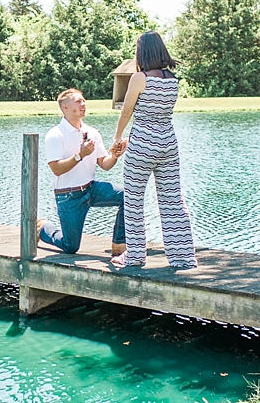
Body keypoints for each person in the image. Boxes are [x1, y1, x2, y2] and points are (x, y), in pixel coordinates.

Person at [109, 31, 197, 269]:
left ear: (143, 52)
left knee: (134, 200)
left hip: (143, 145)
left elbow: (126, 111)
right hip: (168, 143)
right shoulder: (172, 79)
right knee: (173, 201)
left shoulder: (140, 78)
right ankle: (183, 256)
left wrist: (118, 137)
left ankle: (135, 256)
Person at [38, 88, 127, 256]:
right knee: (71, 247)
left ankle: (119, 244)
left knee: (128, 196)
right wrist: (80, 155)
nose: (83, 104)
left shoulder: (92, 132)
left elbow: (105, 164)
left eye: (84, 101)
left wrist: (115, 154)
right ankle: (42, 228)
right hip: (68, 196)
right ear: (65, 107)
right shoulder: (55, 135)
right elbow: (56, 169)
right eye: (78, 101)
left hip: (91, 189)